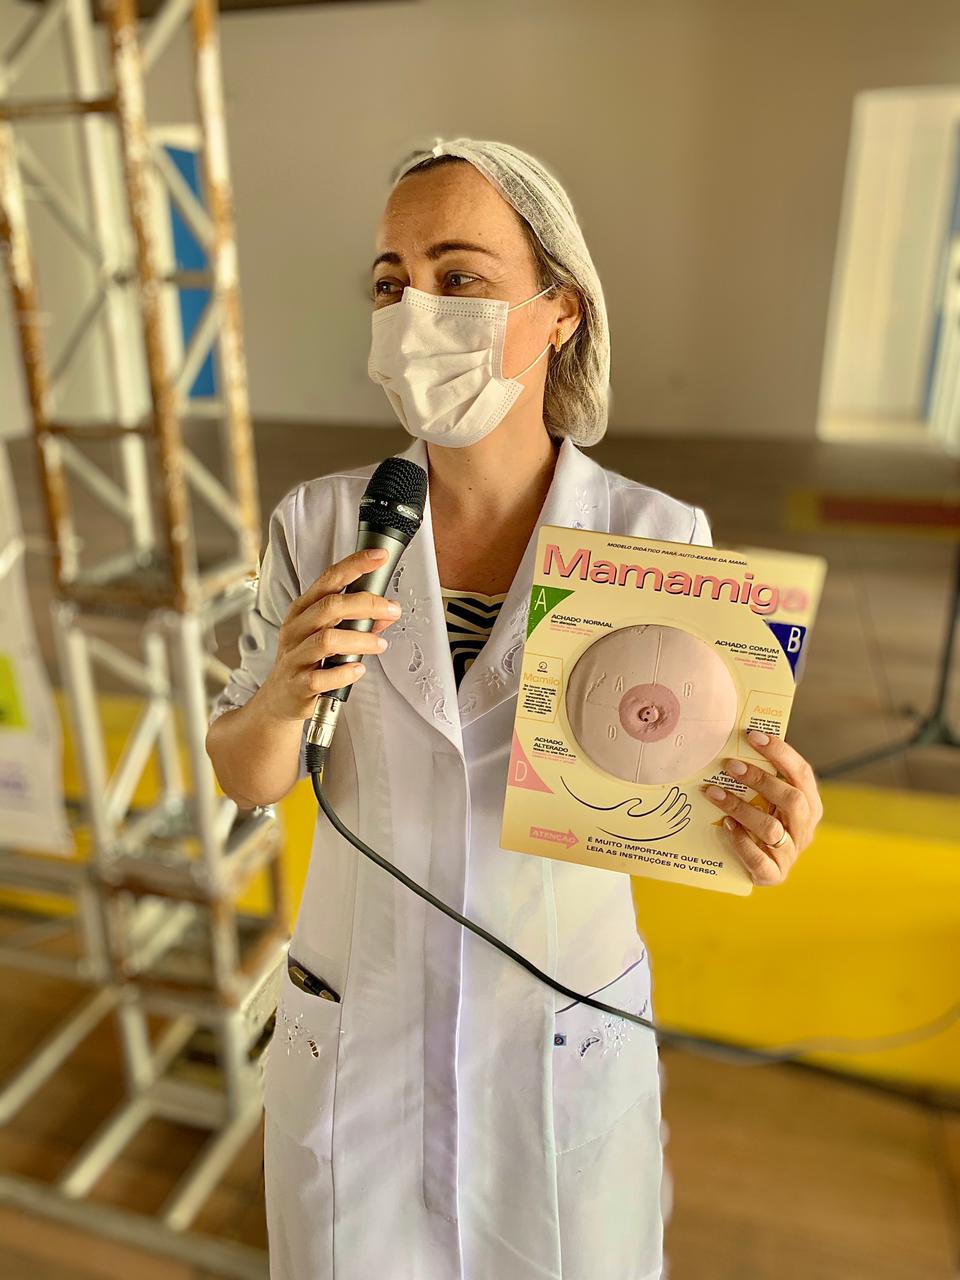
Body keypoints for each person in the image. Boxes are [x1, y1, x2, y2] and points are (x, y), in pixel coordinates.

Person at [205, 138, 824, 1280]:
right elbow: (248, 774)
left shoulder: (655, 537)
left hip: (555, 1039)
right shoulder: (320, 524)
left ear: (561, 312)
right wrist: (286, 694)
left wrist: (766, 815)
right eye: (390, 282)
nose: (414, 311)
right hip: (358, 1040)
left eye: (459, 277)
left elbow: (699, 785)